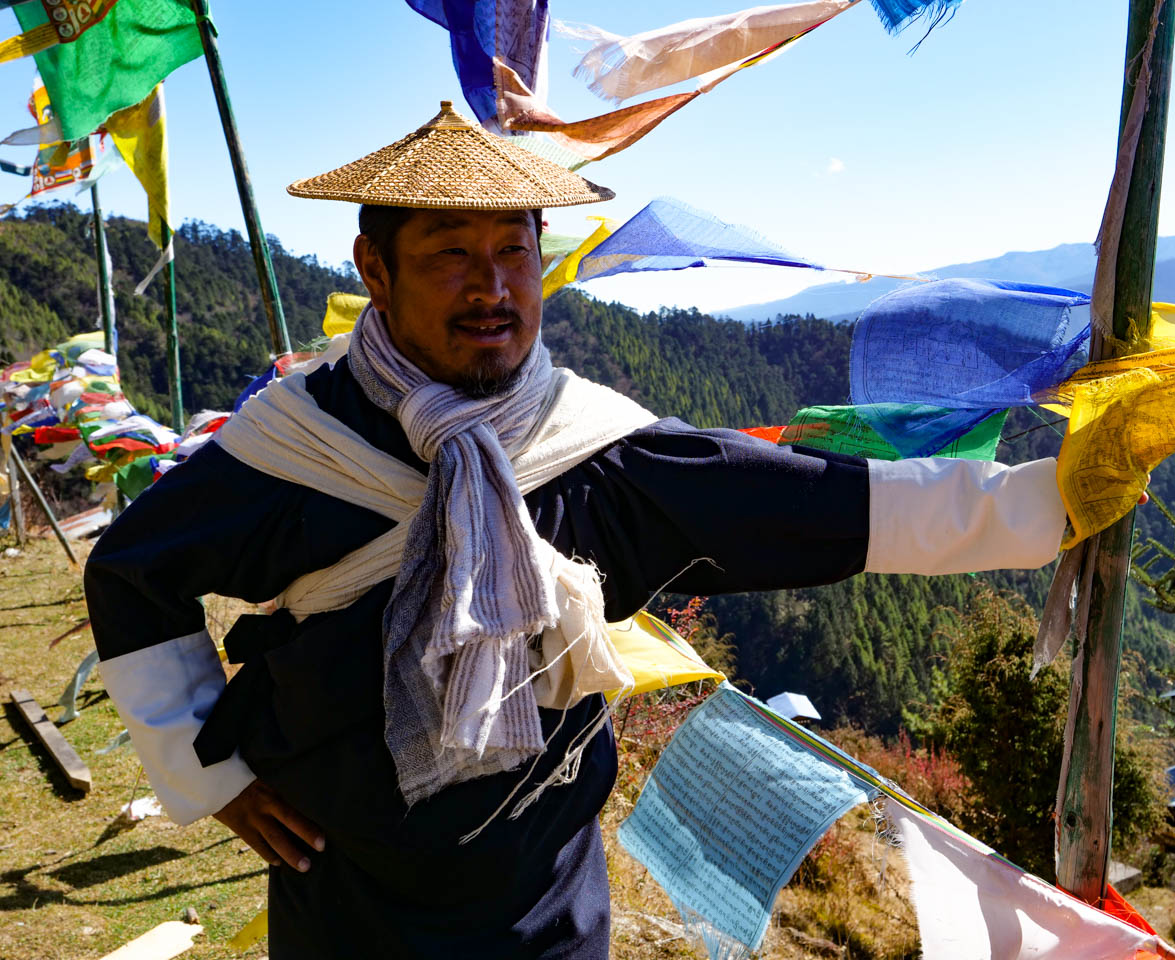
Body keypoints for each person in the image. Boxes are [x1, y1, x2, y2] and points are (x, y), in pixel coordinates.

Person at [84, 102, 1068, 959]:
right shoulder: (292, 447)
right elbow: (133, 572)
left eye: (514, 251)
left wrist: (1053, 501)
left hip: (544, 914)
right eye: (450, 256)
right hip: (347, 904)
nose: (493, 289)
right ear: (373, 272)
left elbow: (821, 503)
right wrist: (211, 775)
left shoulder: (593, 450)